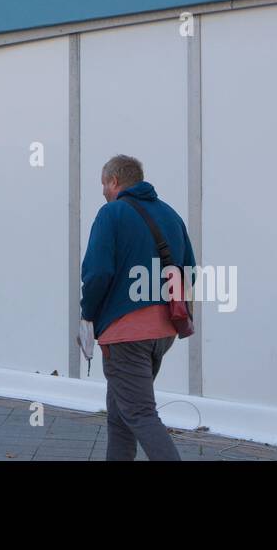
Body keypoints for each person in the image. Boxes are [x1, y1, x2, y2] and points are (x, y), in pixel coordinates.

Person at [80, 155, 196, 461]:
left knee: (141, 414)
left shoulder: (111, 214)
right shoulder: (170, 215)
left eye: (103, 184)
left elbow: (97, 273)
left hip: (127, 334)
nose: (103, 191)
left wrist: (87, 314)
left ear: (114, 181)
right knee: (121, 416)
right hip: (163, 333)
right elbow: (190, 272)